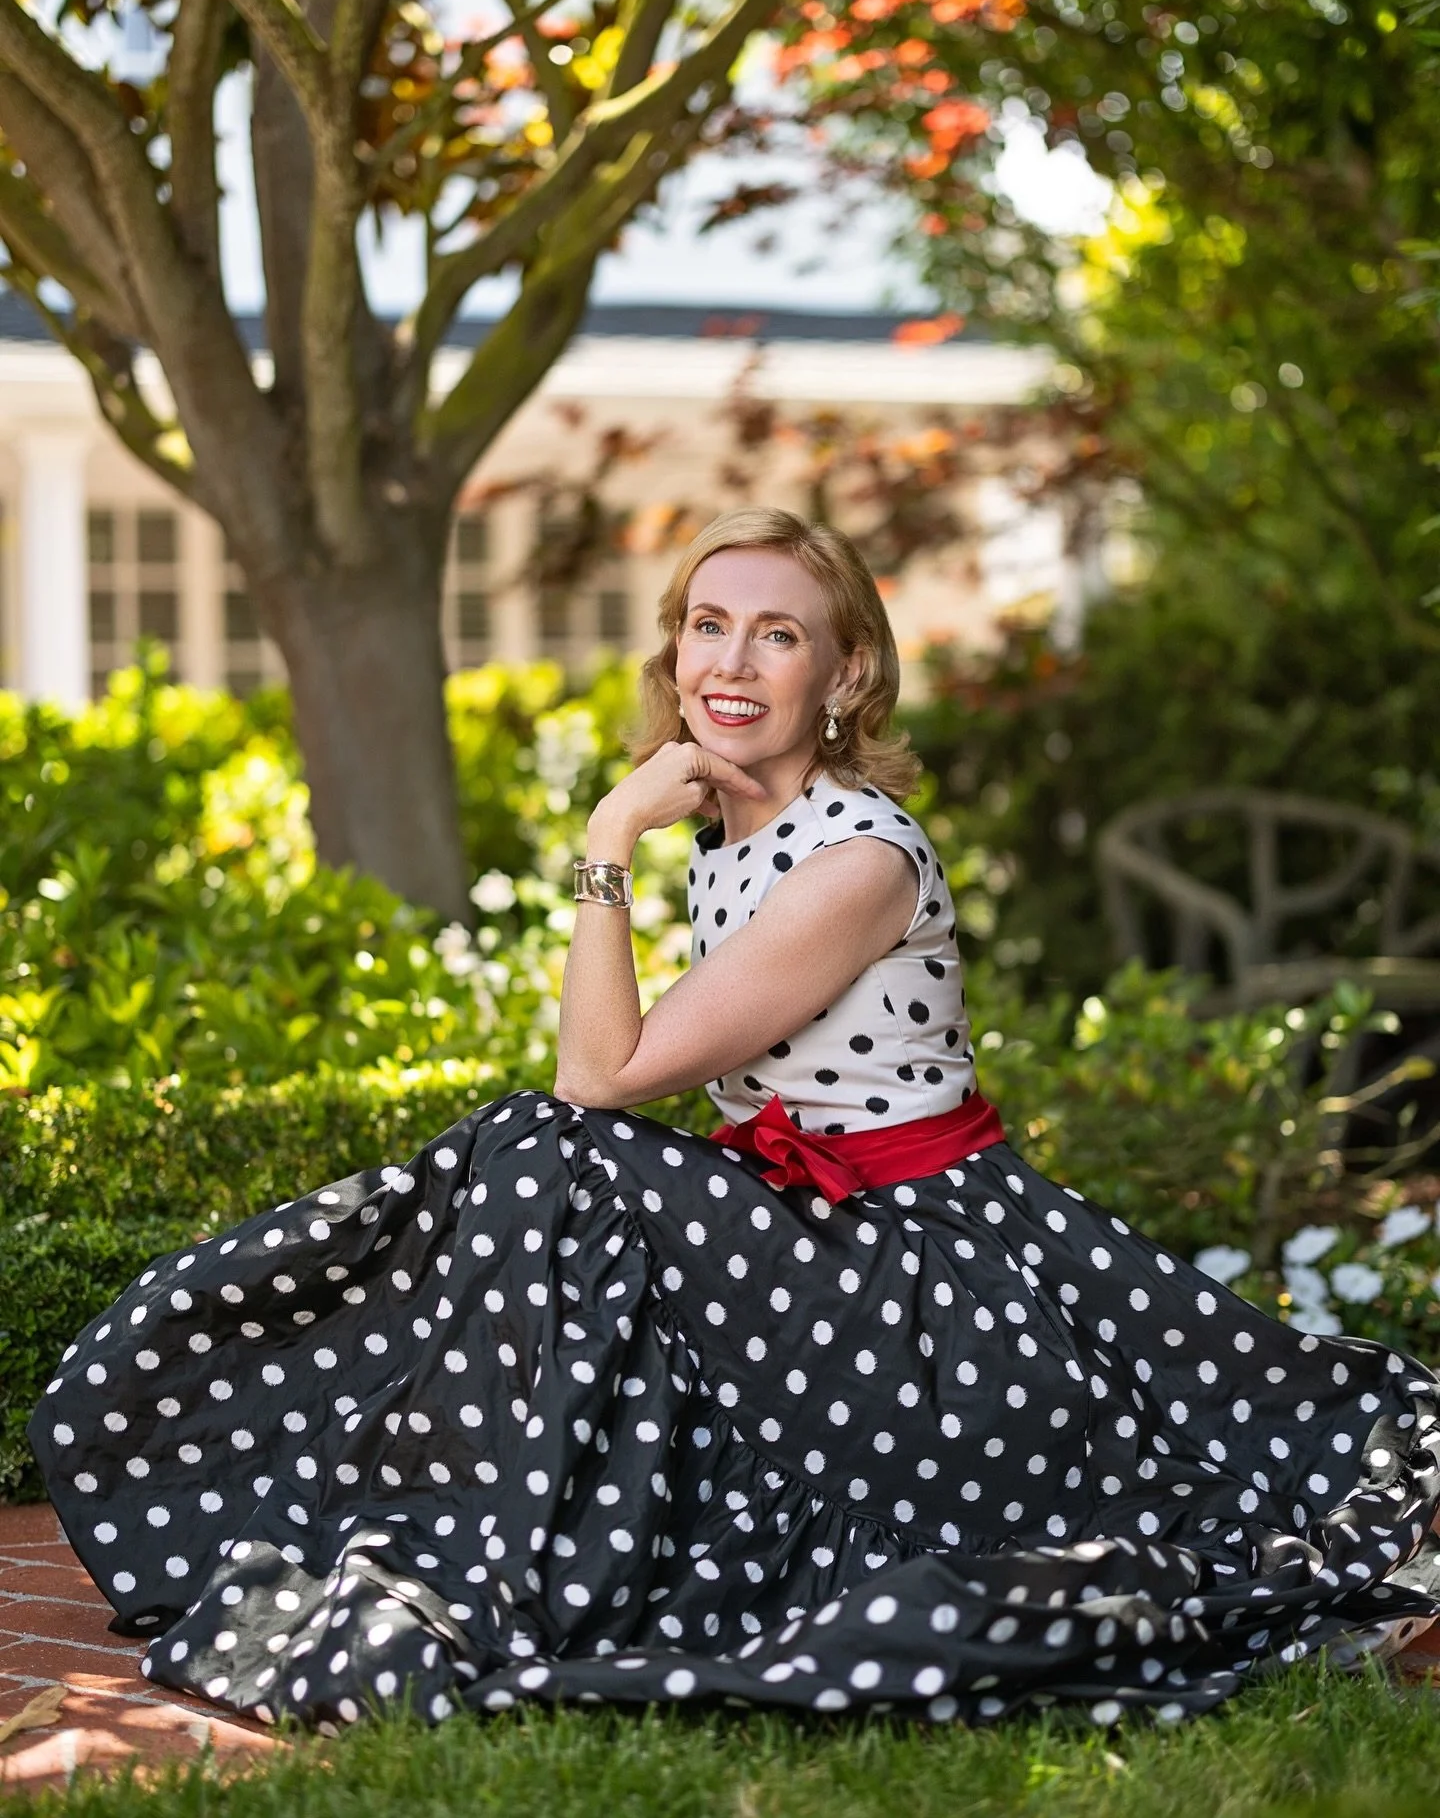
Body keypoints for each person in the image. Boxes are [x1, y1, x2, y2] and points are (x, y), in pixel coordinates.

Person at [29, 507, 1440, 1736]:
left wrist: (599, 848)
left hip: (928, 1278)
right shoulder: (727, 833)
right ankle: (375, 1490)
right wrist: (648, 840)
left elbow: (599, 1080)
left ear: (847, 673)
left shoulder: (857, 861)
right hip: (821, 1237)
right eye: (710, 626)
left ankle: (474, 1532)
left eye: (777, 635)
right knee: (545, 1167)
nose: (732, 662)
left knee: (548, 1146)